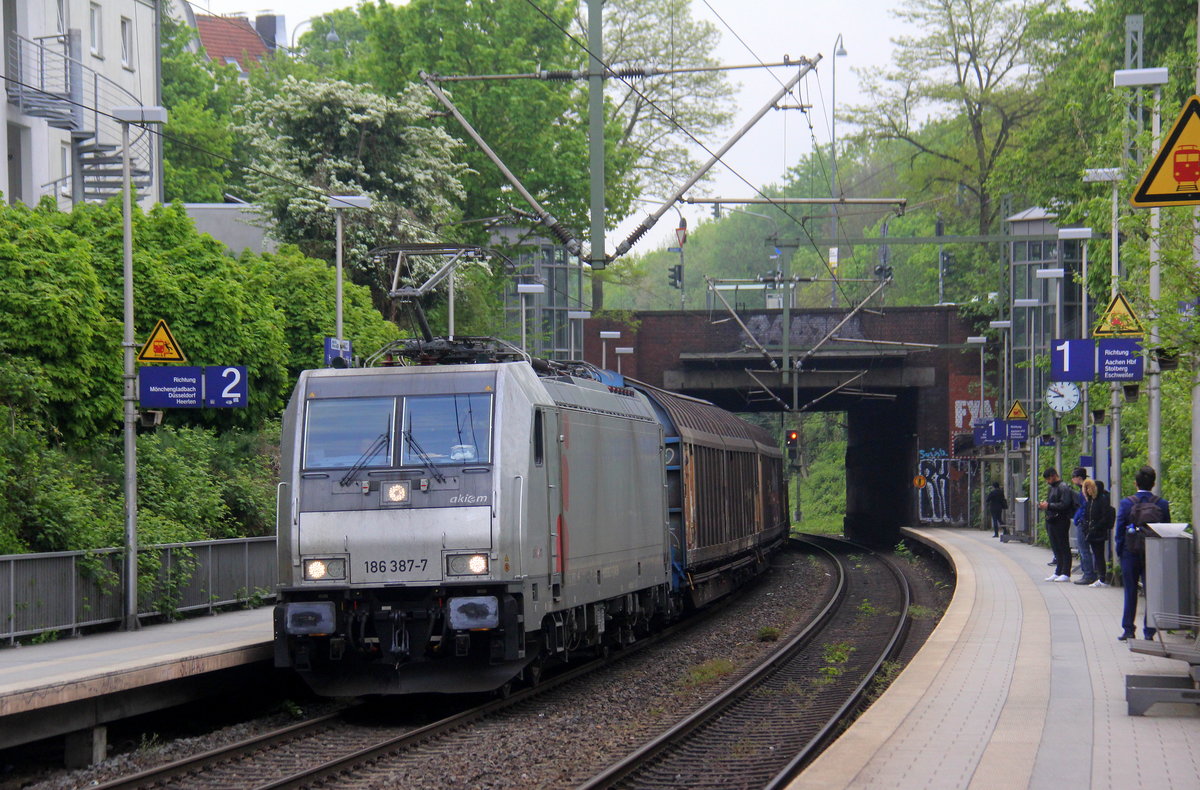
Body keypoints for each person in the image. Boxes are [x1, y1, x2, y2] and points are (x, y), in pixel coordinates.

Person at [1116, 465, 1170, 641]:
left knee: (1130, 591)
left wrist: (1120, 551)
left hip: (1130, 552)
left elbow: (1119, 531)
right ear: (1153, 484)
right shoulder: (1161, 504)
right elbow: (1166, 530)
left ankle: (1129, 629)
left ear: (1135, 483)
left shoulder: (1126, 503)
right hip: (1153, 552)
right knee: (1151, 591)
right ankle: (1149, 631)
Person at [1038, 467, 1074, 582]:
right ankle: (1058, 570)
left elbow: (1065, 504)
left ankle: (1065, 572)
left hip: (1061, 520)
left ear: (1054, 476)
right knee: (1055, 546)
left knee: (1063, 545)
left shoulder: (1063, 487)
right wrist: (1045, 506)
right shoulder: (1051, 488)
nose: (1048, 481)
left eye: (1048, 479)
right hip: (1051, 520)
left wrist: (1049, 506)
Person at [1082, 479, 1115, 588]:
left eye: (1089, 488)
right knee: (1097, 554)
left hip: (1098, 531)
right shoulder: (1090, 501)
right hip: (1091, 531)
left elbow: (1104, 517)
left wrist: (1095, 527)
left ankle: (1102, 577)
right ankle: (1100, 576)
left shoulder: (1101, 501)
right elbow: (1087, 515)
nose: (1087, 490)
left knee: (1099, 554)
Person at [1070, 467, 1097, 585]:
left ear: (1079, 478)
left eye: (1074, 477)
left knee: (1083, 549)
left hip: (1083, 523)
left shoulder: (1083, 490)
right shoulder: (1089, 488)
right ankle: (1091, 573)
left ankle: (1088, 574)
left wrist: (1078, 519)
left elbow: (1084, 507)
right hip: (1088, 522)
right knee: (1088, 549)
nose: (1072, 480)